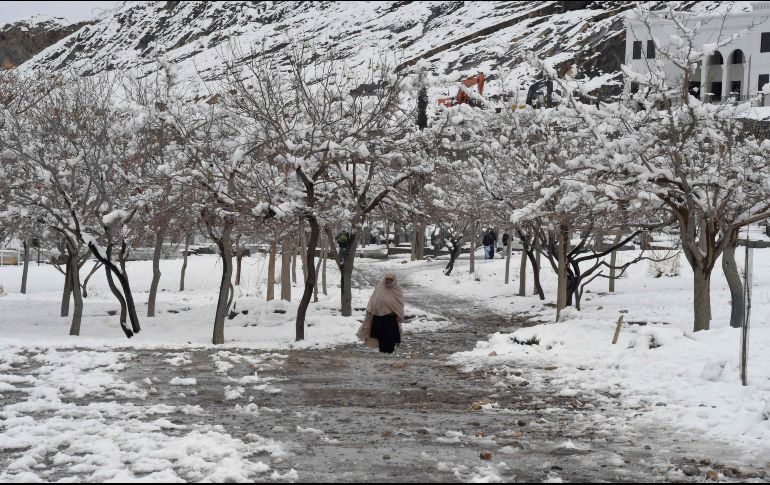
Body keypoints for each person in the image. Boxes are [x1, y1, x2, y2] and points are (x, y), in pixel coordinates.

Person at [358, 272, 404, 353]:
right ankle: (382, 349)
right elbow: (374, 298)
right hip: (378, 315)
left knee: (390, 334)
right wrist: (371, 309)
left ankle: (390, 350)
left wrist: (398, 313)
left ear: (394, 280)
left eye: (391, 279)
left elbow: (399, 303)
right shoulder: (380, 286)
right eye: (387, 279)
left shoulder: (397, 288)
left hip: (391, 316)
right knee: (381, 334)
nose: (388, 281)